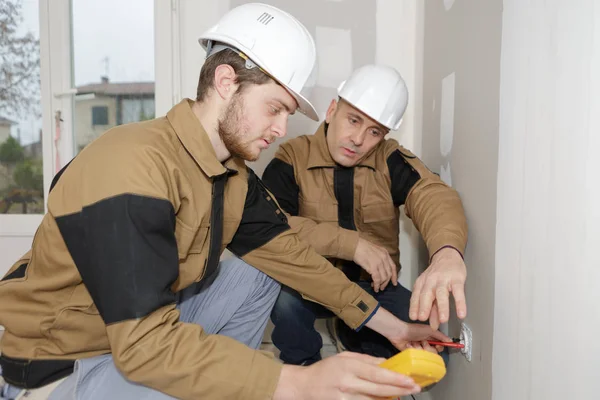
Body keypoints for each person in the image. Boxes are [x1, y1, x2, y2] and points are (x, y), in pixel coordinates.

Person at [0, 4, 450, 400]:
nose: (280, 129)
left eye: (287, 115)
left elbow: (295, 258)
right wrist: (295, 384)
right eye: (274, 108)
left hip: (127, 338)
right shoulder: (132, 165)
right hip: (64, 366)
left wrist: (395, 329)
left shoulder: (231, 176)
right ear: (225, 80)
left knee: (260, 272)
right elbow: (143, 345)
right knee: (246, 368)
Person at [261, 64, 469, 366]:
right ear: (332, 110)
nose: (358, 139)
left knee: (428, 357)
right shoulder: (292, 157)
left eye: (374, 131)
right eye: (353, 120)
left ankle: (354, 337)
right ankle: (306, 367)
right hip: (310, 284)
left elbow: (433, 195)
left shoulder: (390, 159)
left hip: (374, 289)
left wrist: (447, 253)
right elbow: (272, 225)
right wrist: (352, 244)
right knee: (283, 298)